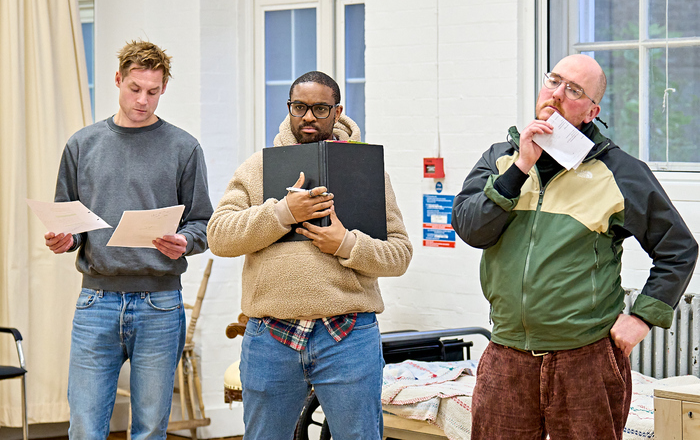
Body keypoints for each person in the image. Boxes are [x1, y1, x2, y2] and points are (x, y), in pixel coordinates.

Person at [451, 54, 698, 440]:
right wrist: (519, 169)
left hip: (586, 360)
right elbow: (470, 229)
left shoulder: (619, 171)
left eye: (574, 90)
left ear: (591, 111)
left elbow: (678, 248)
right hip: (507, 355)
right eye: (553, 81)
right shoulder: (500, 159)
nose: (557, 94)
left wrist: (642, 318)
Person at [207, 71, 412, 439]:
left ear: (337, 111)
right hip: (271, 336)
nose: (308, 117)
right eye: (299, 107)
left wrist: (346, 244)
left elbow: (399, 254)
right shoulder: (257, 168)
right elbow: (219, 237)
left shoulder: (368, 170)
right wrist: (282, 213)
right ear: (289, 108)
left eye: (320, 109)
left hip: (348, 336)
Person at [44, 40, 213, 439]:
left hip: (160, 303)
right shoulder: (82, 145)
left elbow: (203, 224)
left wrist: (185, 242)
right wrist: (64, 241)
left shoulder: (184, 148)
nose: (143, 100)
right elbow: (71, 224)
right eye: (135, 89)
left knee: (151, 427)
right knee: (85, 426)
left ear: (164, 88)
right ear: (118, 80)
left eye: (153, 92)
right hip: (95, 302)